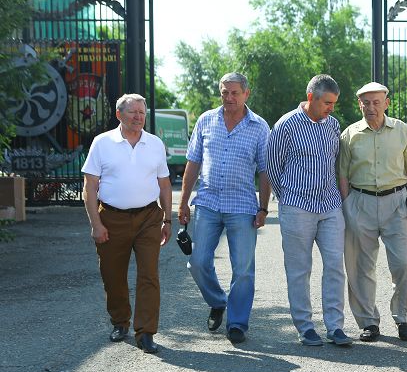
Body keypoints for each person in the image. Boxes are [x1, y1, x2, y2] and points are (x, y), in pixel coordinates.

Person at [178, 72, 271, 344]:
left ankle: (237, 323)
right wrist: (183, 202)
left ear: (246, 94)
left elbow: (265, 170)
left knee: (242, 269)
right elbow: (193, 162)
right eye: (224, 93)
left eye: (234, 93)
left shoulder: (259, 127)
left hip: (242, 206)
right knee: (197, 262)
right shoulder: (206, 120)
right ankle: (218, 301)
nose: (229, 98)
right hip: (207, 203)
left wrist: (263, 208)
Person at [266, 74, 353, 347]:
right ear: (311, 97)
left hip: (330, 206)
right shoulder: (286, 125)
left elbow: (335, 162)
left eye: (334, 103)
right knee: (299, 270)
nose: (331, 108)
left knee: (335, 266)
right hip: (297, 207)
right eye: (327, 102)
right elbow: (272, 166)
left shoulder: (333, 125)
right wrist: (288, 197)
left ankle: (335, 327)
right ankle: (305, 327)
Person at [82, 93, 172, 354]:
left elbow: (165, 184)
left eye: (142, 113)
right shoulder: (102, 143)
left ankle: (146, 332)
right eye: (133, 112)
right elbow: (90, 186)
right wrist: (96, 224)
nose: (138, 117)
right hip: (111, 218)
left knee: (149, 275)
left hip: (148, 218)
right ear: (119, 114)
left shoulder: (155, 144)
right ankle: (120, 321)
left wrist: (167, 219)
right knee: (113, 275)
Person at [338, 82, 407, 343]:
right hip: (360, 202)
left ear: (386, 103)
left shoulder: (401, 130)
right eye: (366, 103)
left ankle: (404, 319)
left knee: (404, 263)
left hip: (395, 203)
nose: (371, 107)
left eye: (376, 102)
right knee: (360, 266)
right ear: (359, 105)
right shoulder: (349, 134)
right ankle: (368, 322)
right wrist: (347, 205)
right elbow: (342, 175)